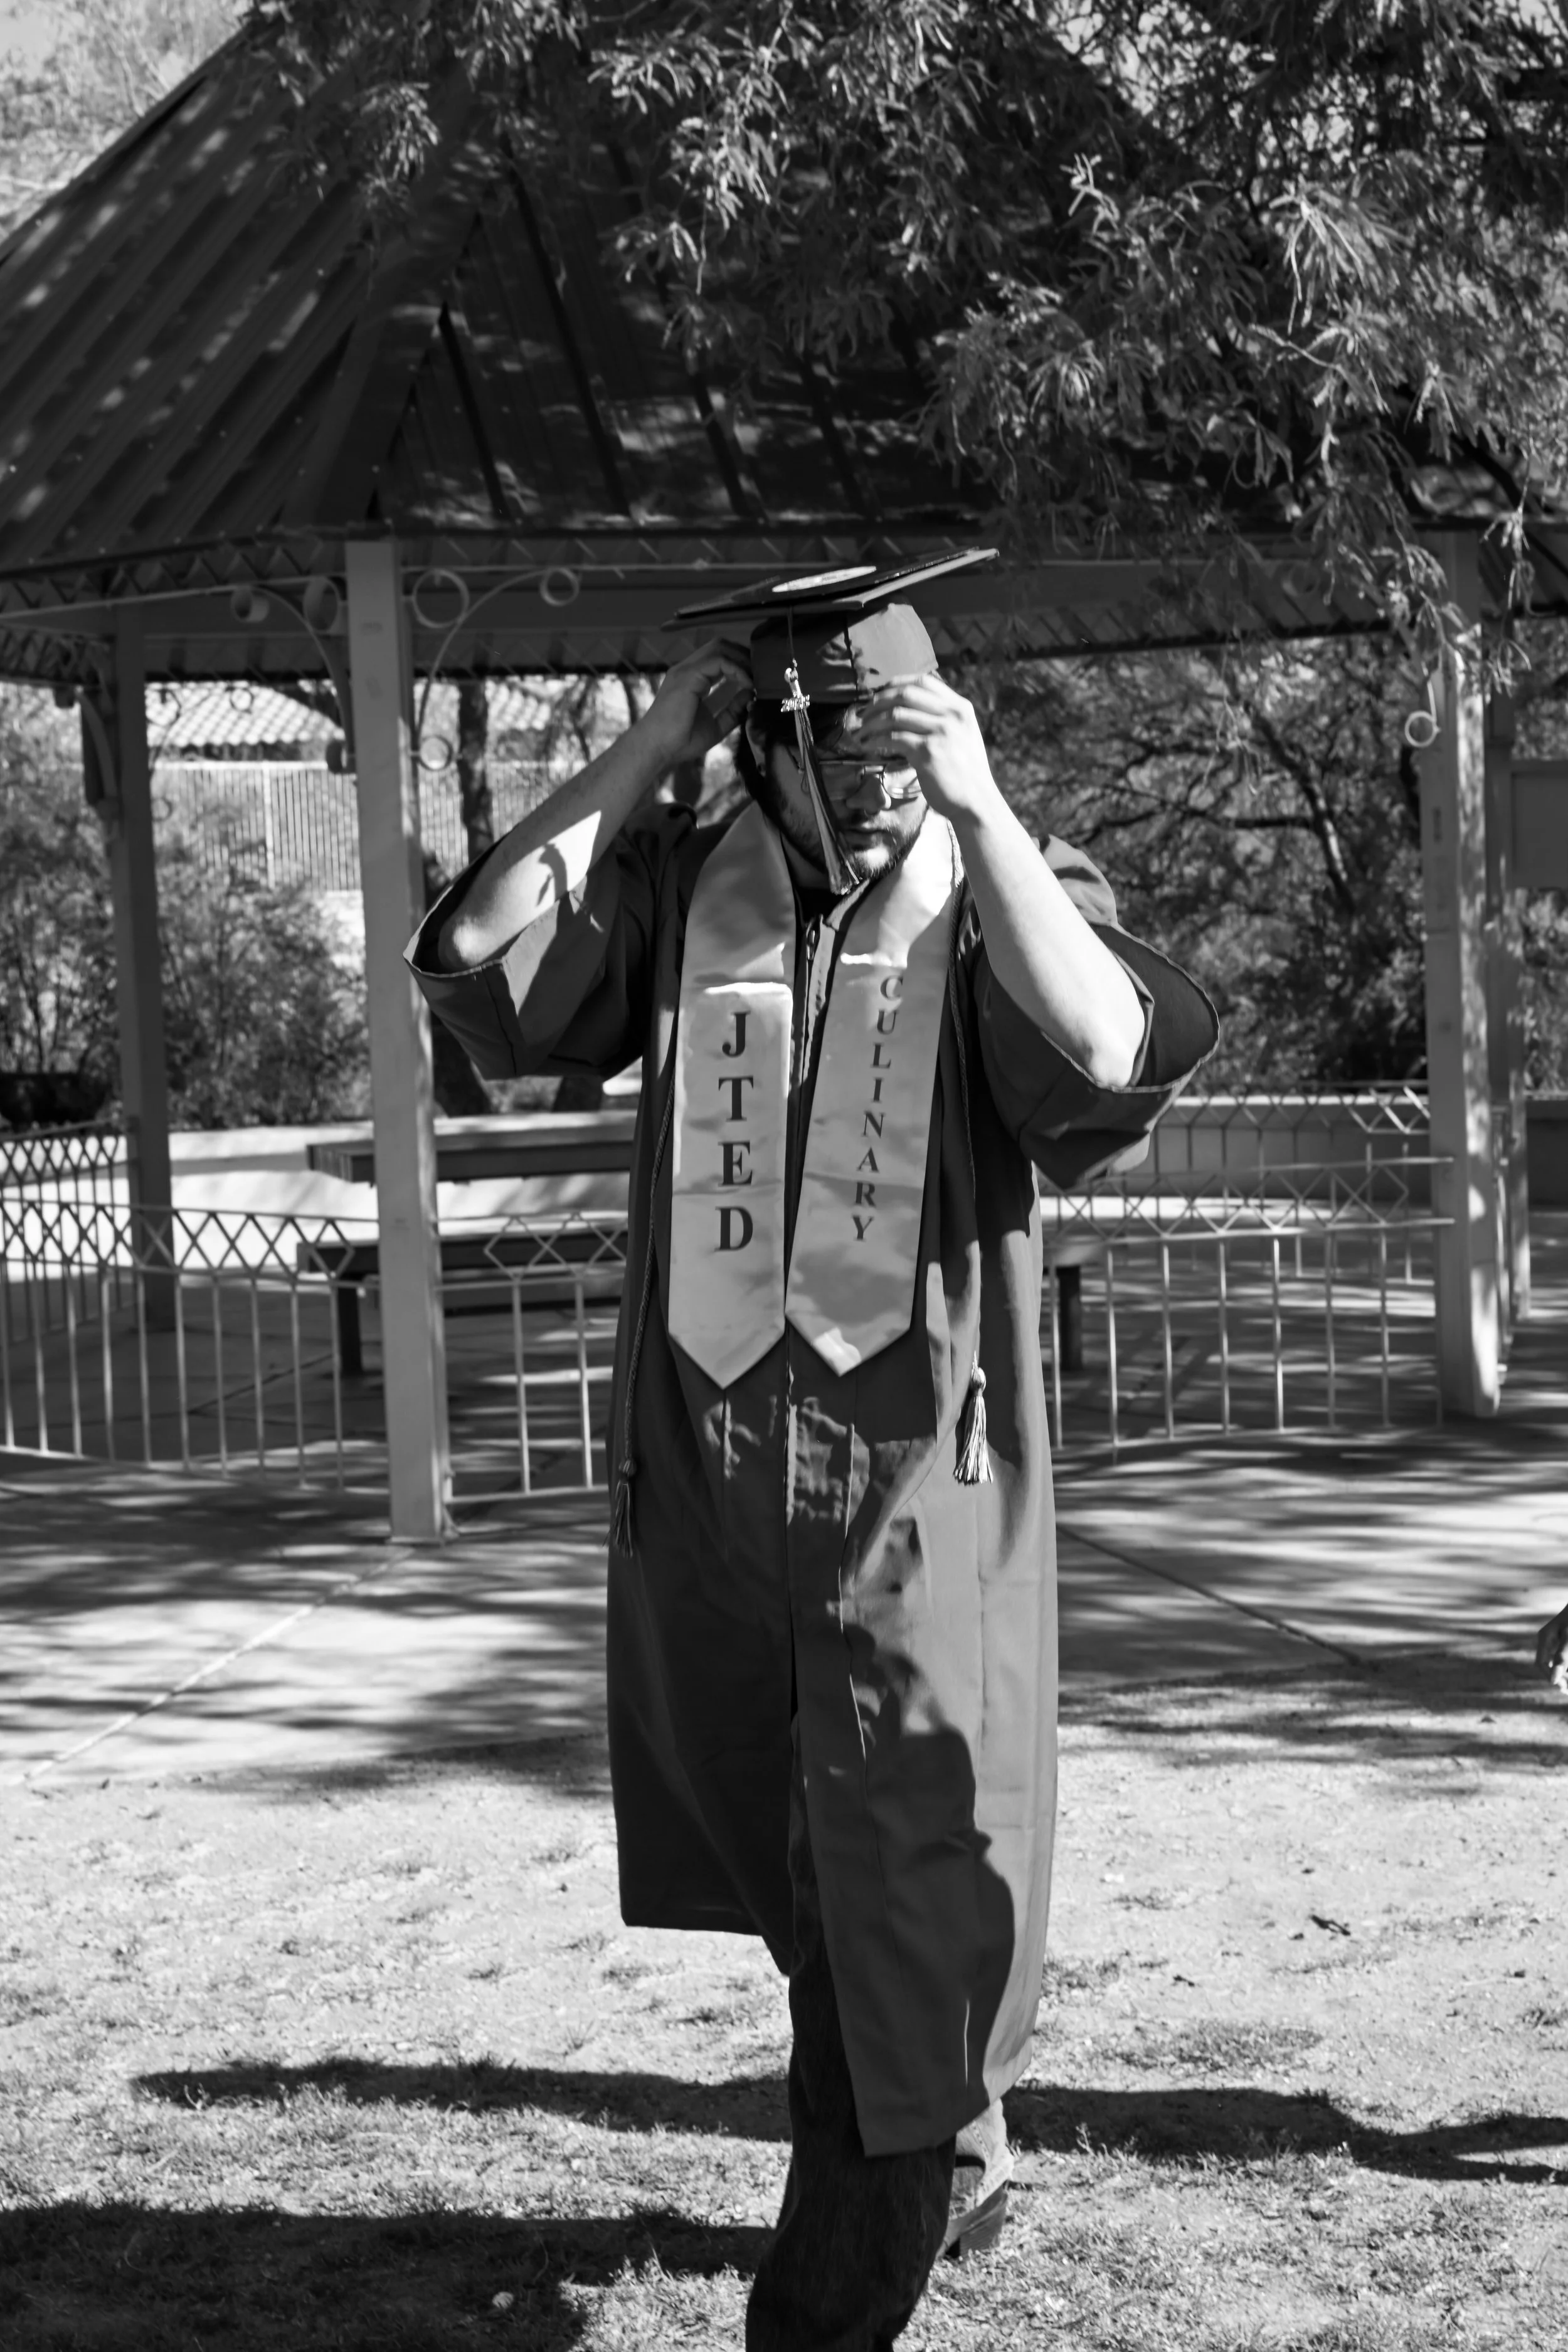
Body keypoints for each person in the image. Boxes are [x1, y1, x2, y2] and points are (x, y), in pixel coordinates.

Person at [407, 551, 1218, 2350]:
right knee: (807, 1884)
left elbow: (1097, 1041)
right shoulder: (694, 883)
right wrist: (645, 748)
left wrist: (984, 802)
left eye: (887, 730)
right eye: (818, 728)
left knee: (911, 1889)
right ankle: (943, 2145)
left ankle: (836, 2287)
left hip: (915, 1499)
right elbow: (473, 959)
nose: (857, 768)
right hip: (707, 1500)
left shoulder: (1002, 887)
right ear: (763, 741)